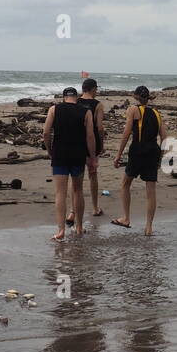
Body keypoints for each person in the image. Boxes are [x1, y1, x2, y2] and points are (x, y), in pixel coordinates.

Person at [42, 87, 96, 241]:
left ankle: (61, 230)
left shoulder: (54, 109)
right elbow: (90, 137)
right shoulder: (86, 111)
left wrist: (49, 150)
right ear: (77, 97)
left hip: (60, 153)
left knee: (60, 192)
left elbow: (46, 132)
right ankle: (79, 226)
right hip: (78, 154)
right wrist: (92, 158)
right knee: (78, 190)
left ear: (64, 97)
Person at [112, 85, 166, 236]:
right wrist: (160, 156)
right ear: (148, 99)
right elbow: (164, 137)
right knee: (151, 190)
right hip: (153, 151)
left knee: (125, 183)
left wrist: (118, 155)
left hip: (138, 150)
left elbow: (127, 132)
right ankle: (149, 227)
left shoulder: (133, 110)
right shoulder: (156, 113)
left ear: (135, 97)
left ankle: (126, 218)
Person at [67, 77, 107, 224]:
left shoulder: (75, 101)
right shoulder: (98, 105)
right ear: (93, 89)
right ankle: (95, 207)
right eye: (96, 89)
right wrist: (101, 144)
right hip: (92, 142)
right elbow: (100, 127)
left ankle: (72, 210)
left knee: (76, 178)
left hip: (77, 142)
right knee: (92, 174)